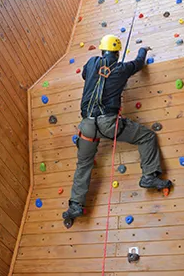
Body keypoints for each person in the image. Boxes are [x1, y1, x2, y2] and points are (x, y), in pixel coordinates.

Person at [62, 35, 173, 228]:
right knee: (147, 137)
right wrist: (143, 49)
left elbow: (86, 76)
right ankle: (149, 176)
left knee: (84, 164)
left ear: (101, 50)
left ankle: (75, 206)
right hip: (108, 123)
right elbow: (139, 63)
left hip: (86, 125)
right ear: (117, 52)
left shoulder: (91, 63)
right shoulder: (121, 69)